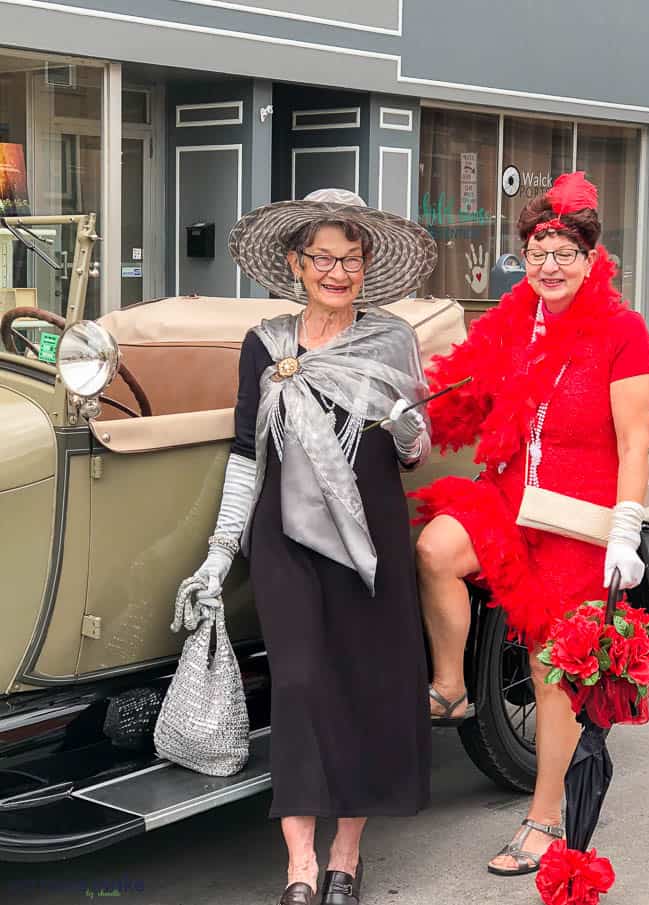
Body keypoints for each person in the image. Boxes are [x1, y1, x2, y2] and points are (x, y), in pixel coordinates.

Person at [185, 189, 437, 905]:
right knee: (298, 687)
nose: (336, 271)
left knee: (364, 686)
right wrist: (217, 550)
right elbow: (246, 453)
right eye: (322, 257)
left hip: (372, 537)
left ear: (366, 266)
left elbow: (417, 449)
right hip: (284, 537)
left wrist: (400, 418)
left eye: (349, 259)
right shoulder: (266, 343)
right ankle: (299, 863)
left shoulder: (390, 341)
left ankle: (345, 857)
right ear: (295, 262)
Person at [412, 173, 649, 876]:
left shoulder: (623, 331)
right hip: (506, 499)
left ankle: (546, 815)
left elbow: (636, 441)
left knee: (555, 666)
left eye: (564, 252)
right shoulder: (512, 320)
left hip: (578, 518)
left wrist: (624, 529)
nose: (548, 265)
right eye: (537, 250)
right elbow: (460, 392)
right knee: (434, 546)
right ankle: (453, 687)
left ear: (592, 257)